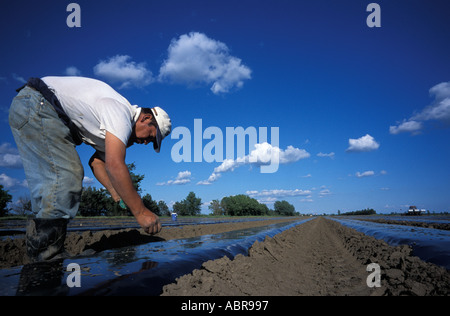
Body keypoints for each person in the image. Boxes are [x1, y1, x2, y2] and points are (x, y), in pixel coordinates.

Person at [9, 76, 171, 263]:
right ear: (146, 118)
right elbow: (115, 164)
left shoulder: (119, 126)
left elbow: (98, 163)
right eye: (150, 136)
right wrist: (141, 212)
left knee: (60, 176)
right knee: (64, 175)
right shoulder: (121, 112)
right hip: (39, 104)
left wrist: (114, 192)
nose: (145, 142)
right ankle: (45, 258)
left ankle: (43, 253)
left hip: (35, 107)